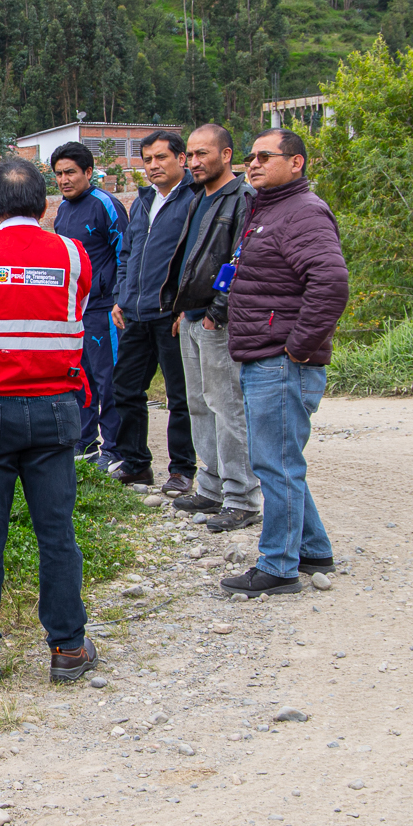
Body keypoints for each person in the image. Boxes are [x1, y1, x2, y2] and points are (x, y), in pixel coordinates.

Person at [0, 158, 96, 684]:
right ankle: (69, 649)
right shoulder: (73, 256)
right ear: (46, 205)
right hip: (55, 408)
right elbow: (77, 309)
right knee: (57, 531)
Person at [218, 128, 350, 599]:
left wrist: (297, 348)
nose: (252, 164)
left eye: (264, 157)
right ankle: (313, 550)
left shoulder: (303, 213)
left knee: (275, 464)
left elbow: (331, 284)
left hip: (281, 360)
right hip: (266, 355)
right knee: (279, 461)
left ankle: (277, 566)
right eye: (250, 157)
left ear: (296, 163)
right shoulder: (268, 209)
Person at [166, 124, 259, 532]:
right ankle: (211, 486)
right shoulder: (195, 198)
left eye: (203, 153)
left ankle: (241, 496)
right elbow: (190, 258)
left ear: (227, 155)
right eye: (190, 154)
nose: (194, 161)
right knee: (199, 404)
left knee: (227, 406)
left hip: (216, 319)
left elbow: (242, 259)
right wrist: (179, 308)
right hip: (190, 316)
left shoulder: (243, 198)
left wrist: (217, 310)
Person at [107, 130, 197, 495]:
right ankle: (136, 464)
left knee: (180, 397)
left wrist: (186, 305)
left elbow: (196, 258)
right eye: (147, 160)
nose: (153, 166)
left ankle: (182, 469)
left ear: (181, 159)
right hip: (135, 312)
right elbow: (127, 255)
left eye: (161, 157)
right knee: (125, 389)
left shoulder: (194, 199)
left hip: (170, 314)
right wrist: (120, 296)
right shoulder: (142, 202)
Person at [49, 141, 128, 466]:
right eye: (58, 174)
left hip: (104, 308)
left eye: (70, 172)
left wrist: (120, 298)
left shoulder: (106, 205)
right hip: (73, 310)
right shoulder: (63, 212)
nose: (64, 179)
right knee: (78, 377)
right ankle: (84, 443)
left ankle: (115, 448)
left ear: (89, 172)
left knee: (107, 378)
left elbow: (126, 252)